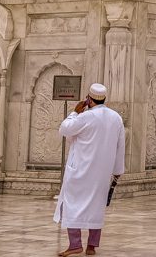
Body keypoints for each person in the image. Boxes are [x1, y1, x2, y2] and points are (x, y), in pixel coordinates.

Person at [53, 83, 125, 257]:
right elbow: (120, 146)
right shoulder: (116, 118)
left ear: (89, 100)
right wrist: (117, 171)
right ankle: (92, 246)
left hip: (80, 171)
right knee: (96, 207)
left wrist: (75, 111)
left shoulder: (85, 117)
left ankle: (75, 244)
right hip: (102, 173)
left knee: (71, 205)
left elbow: (64, 129)